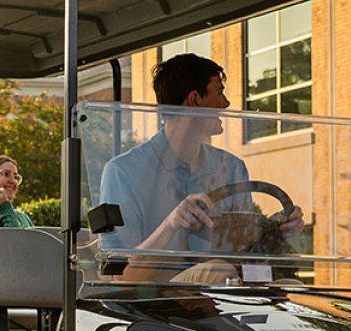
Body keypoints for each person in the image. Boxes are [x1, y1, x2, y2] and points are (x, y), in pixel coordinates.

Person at [97, 53, 301, 282]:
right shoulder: (123, 172)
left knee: (292, 286)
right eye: (219, 93)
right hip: (153, 306)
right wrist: (171, 223)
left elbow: (248, 264)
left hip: (222, 303)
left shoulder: (232, 168)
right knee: (217, 271)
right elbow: (123, 279)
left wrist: (272, 230)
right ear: (195, 100)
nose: (226, 104)